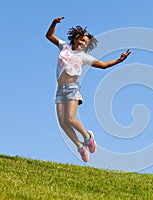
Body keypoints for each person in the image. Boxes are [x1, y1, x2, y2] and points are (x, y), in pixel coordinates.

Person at [45, 16, 131, 162]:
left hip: (72, 88)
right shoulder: (64, 46)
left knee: (71, 118)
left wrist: (119, 60)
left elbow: (103, 65)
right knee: (63, 122)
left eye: (86, 43)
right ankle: (80, 146)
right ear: (76, 38)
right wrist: (54, 23)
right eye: (82, 40)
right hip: (60, 89)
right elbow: (49, 36)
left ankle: (88, 137)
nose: (84, 43)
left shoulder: (83, 57)